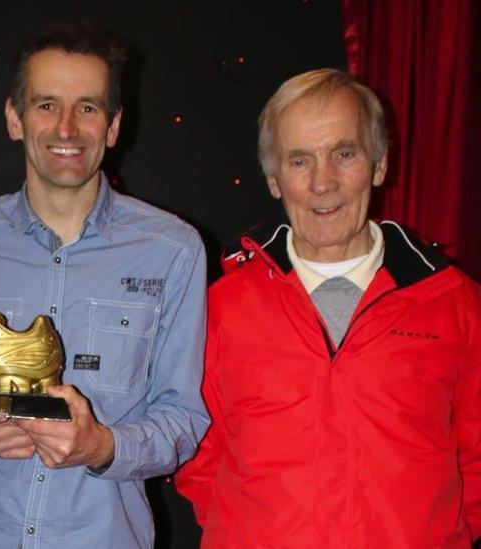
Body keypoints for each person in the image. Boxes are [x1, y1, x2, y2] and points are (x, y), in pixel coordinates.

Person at [0, 22, 209, 548]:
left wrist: (103, 447)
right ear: (14, 117)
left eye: (87, 108)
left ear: (113, 126)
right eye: (46, 105)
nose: (66, 127)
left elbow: (183, 419)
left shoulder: (173, 250)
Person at [175, 68, 481, 547]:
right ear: (275, 179)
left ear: (379, 163)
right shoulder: (224, 306)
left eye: (344, 153)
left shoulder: (454, 303)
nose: (323, 182)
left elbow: (477, 463)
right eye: (300, 161)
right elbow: (197, 454)